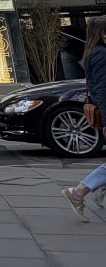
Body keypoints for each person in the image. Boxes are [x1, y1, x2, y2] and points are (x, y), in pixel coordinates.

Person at [62, 16, 106, 218]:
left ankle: (95, 191)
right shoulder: (101, 55)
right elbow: (102, 91)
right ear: (103, 34)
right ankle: (80, 192)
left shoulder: (94, 53)